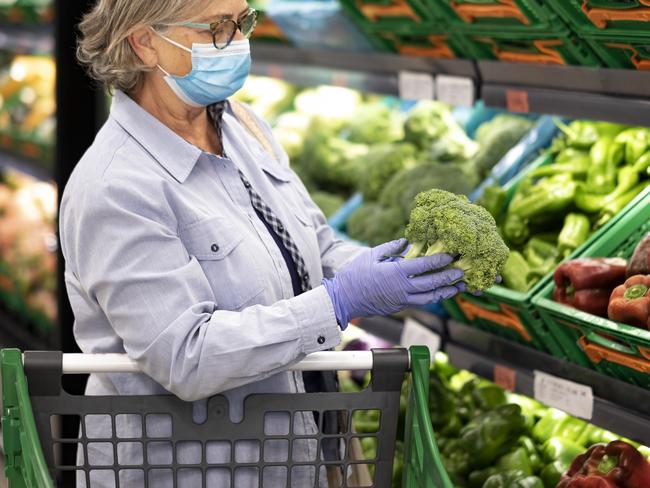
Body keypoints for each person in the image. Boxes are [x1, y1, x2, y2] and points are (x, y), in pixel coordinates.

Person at [61, 0, 467, 486]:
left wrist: (397, 267)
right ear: (144, 42)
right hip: (188, 470)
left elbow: (312, 244)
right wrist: (337, 302)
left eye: (243, 21)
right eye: (215, 29)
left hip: (297, 455)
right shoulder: (116, 187)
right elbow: (185, 357)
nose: (236, 41)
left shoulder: (243, 126)